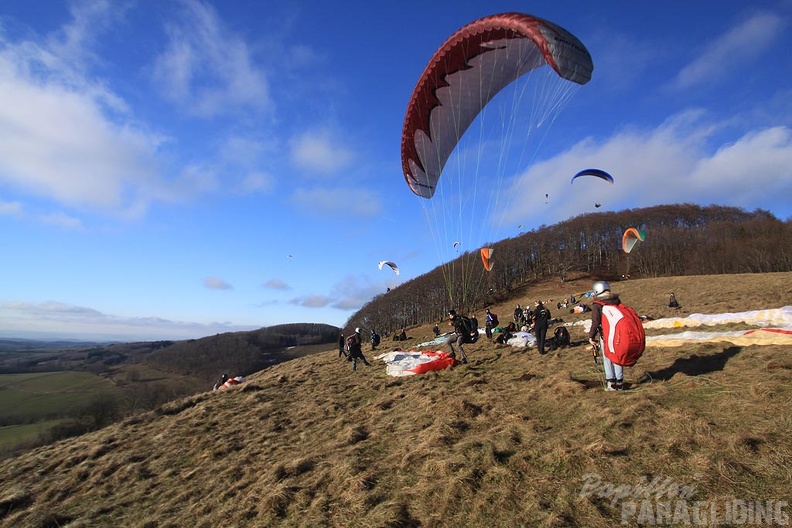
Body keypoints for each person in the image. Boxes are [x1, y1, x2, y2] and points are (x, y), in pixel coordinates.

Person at [587, 280, 623, 391]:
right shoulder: (616, 301)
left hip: (606, 335)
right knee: (617, 357)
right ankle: (620, 383)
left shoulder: (598, 304)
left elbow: (595, 322)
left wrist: (591, 336)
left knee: (607, 358)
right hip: (618, 334)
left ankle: (611, 383)